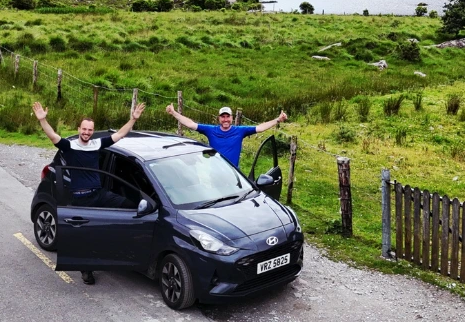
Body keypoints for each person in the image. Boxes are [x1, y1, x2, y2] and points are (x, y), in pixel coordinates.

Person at [32, 100, 146, 285]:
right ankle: (86, 270)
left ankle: (126, 250)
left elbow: (120, 134)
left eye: (90, 130)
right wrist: (43, 120)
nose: (86, 133)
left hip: (99, 195)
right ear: (79, 129)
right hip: (80, 199)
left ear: (93, 131)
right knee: (85, 236)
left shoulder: (96, 144)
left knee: (130, 206)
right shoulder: (69, 146)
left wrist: (133, 119)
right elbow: (53, 136)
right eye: (84, 129)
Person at [165, 104, 286, 166]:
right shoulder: (210, 130)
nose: (225, 120)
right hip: (216, 172)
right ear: (219, 118)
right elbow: (191, 124)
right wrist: (174, 113)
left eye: (228, 117)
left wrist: (277, 120)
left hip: (234, 173)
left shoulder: (240, 131)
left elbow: (259, 128)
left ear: (232, 118)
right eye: (223, 117)